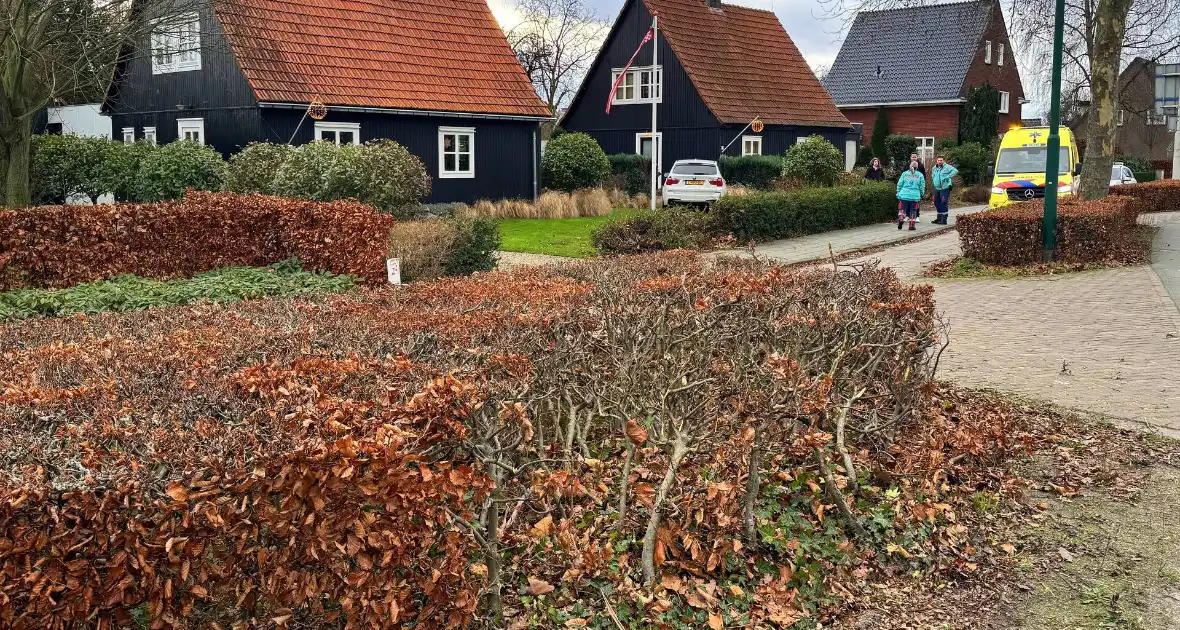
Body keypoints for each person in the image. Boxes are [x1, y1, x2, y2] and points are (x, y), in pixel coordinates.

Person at [896, 161, 925, 231]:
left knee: (903, 209)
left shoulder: (905, 174)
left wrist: (898, 193)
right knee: (913, 210)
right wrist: (922, 194)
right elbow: (922, 186)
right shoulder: (920, 175)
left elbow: (899, 184)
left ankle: (901, 218)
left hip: (904, 195)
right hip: (914, 196)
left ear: (910, 166)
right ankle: (911, 225)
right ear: (917, 167)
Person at [930, 156, 959, 225]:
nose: (939, 161)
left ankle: (944, 220)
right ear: (936, 161)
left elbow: (955, 171)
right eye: (938, 160)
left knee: (943, 203)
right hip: (937, 188)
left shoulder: (947, 167)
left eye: (941, 160)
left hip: (944, 188)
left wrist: (948, 177)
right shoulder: (934, 168)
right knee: (937, 203)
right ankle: (939, 218)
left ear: (944, 161)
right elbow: (933, 175)